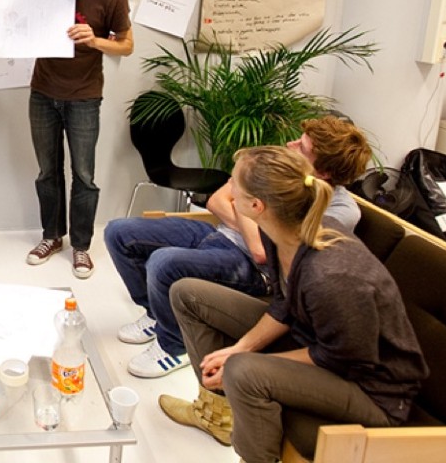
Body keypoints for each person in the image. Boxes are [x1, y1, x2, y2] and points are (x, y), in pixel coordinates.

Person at [158, 146, 427, 463]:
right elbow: (284, 304)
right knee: (188, 294)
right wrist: (240, 347)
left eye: (234, 184)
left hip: (372, 391)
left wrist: (240, 360)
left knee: (243, 372)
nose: (229, 188)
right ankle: (217, 415)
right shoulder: (279, 232)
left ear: (256, 206)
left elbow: (345, 358)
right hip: (313, 340)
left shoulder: (330, 274)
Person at [103, 116, 372, 379]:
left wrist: (241, 203)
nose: (289, 145)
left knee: (163, 262)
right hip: (219, 234)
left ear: (323, 172)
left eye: (301, 147)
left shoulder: (341, 211)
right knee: (119, 232)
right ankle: (156, 314)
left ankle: (175, 344)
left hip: (254, 268)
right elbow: (216, 201)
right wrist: (250, 211)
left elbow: (262, 252)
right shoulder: (282, 169)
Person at [0, 0, 134, 280]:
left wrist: (95, 40)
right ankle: (52, 236)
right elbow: (22, 28)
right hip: (43, 92)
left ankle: (81, 246)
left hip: (84, 96)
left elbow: (126, 45)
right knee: (47, 171)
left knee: (84, 175)